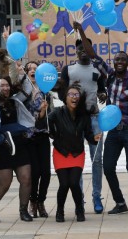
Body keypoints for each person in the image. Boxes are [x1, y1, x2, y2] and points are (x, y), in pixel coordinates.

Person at [74, 21, 128, 216]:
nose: (119, 61)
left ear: (127, 62)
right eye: (117, 59)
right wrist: (81, 29)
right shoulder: (111, 77)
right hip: (113, 131)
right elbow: (92, 55)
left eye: (123, 59)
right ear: (114, 63)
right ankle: (120, 202)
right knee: (107, 167)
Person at [60, 38, 107, 214]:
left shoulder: (97, 69)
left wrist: (103, 94)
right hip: (75, 120)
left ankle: (97, 196)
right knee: (76, 160)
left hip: (95, 119)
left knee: (97, 160)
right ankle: (79, 199)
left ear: (90, 49)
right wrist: (69, 91)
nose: (83, 52)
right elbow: (60, 93)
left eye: (85, 49)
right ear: (76, 51)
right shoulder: (68, 70)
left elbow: (102, 89)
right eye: (79, 49)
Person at [0, 76, 34, 223]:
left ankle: (23, 211)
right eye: (1, 86)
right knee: (5, 182)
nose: (4, 88)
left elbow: (28, 89)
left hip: (18, 144)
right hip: (1, 146)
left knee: (26, 179)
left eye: (6, 85)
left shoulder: (15, 101)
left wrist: (19, 71)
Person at [48, 83, 101, 223]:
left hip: (77, 153)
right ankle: (60, 210)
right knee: (64, 184)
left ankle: (79, 209)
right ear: (65, 98)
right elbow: (46, 125)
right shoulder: (57, 113)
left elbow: (89, 135)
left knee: (74, 183)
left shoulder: (84, 116)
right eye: (71, 94)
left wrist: (94, 139)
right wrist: (53, 135)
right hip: (61, 153)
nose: (74, 97)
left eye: (76, 95)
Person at [21, 61, 51, 218]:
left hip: (43, 134)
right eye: (30, 69)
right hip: (29, 136)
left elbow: (47, 115)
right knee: (35, 172)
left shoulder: (46, 91)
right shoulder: (22, 91)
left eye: (35, 69)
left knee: (46, 172)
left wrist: (45, 110)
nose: (32, 71)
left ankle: (41, 201)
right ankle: (32, 201)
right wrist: (39, 113)